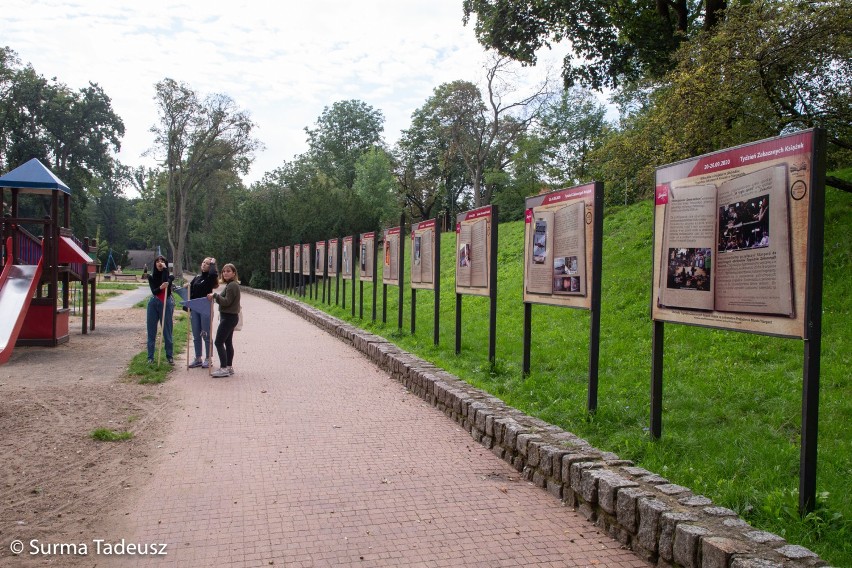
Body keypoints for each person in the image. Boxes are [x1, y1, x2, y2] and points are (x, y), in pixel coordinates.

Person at [208, 263, 241, 378]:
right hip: (229, 317)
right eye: (223, 271)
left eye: (228, 271)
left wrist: (215, 296)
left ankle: (223, 368)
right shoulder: (231, 285)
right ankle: (229, 366)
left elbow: (227, 302)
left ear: (234, 273)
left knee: (218, 342)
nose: (225, 273)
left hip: (228, 317)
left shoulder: (232, 286)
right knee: (227, 342)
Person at [187, 257, 218, 368]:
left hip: (205, 308)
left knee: (205, 333)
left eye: (208, 264)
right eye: (203, 262)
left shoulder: (210, 278)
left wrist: (213, 264)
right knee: (196, 334)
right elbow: (190, 290)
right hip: (195, 308)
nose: (204, 264)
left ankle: (208, 358)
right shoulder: (197, 277)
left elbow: (214, 274)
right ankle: (198, 357)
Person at [146, 255, 175, 365]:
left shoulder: (170, 277)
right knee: (151, 331)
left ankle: (169, 356)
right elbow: (154, 291)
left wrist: (165, 269)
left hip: (166, 303)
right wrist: (160, 288)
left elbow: (165, 280)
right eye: (157, 261)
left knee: (167, 330)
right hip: (154, 303)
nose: (159, 262)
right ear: (155, 264)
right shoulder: (151, 277)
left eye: (162, 261)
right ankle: (150, 357)